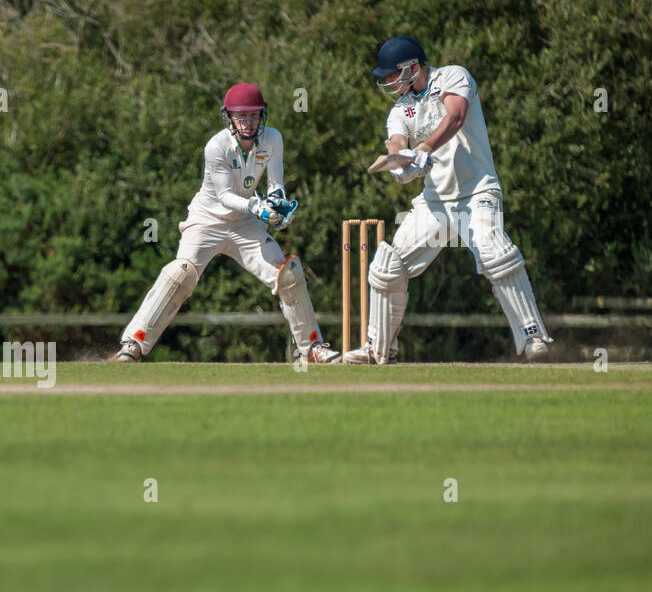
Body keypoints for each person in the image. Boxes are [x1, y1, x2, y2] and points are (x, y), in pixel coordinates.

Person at [344, 36, 550, 364]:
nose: (387, 82)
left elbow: (455, 117)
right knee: (387, 266)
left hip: (477, 191)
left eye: (391, 75)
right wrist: (402, 163)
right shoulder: (400, 109)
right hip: (435, 202)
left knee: (495, 251)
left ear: (412, 68)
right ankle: (378, 350)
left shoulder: (453, 76)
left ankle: (532, 336)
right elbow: (396, 144)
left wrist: (424, 149)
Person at [114, 83, 339, 364]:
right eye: (241, 116)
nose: (248, 123)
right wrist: (258, 207)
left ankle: (313, 349)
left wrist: (278, 206)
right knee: (181, 274)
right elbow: (224, 196)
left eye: (254, 116)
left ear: (262, 115)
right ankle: (133, 344)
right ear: (229, 117)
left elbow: (275, 185)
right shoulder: (216, 146)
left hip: (245, 224)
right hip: (206, 220)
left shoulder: (273, 139)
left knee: (288, 274)